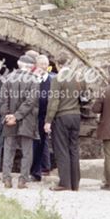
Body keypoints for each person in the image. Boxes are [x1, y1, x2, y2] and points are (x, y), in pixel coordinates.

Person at [44, 55, 85, 191]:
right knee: (73, 149)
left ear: (57, 64)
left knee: (61, 149)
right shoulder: (79, 78)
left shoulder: (57, 79)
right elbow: (85, 96)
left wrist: (48, 120)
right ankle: (75, 183)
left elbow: (54, 101)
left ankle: (64, 183)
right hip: (76, 116)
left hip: (62, 116)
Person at [0, 54, 40, 188]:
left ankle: (6, 179)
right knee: (27, 152)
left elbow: (2, 100)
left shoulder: (7, 78)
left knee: (8, 150)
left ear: (18, 63)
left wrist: (8, 116)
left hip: (9, 120)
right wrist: (17, 116)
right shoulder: (34, 80)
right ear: (31, 67)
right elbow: (31, 101)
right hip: (27, 120)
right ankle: (23, 180)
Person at [30, 53, 53, 181]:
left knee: (41, 143)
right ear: (36, 65)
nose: (44, 66)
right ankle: (33, 170)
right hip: (31, 116)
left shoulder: (51, 80)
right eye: (41, 64)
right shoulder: (31, 79)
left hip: (44, 117)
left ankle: (37, 171)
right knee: (32, 144)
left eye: (45, 64)